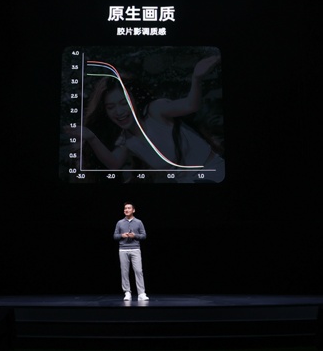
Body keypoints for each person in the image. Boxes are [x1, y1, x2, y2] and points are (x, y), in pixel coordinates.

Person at [78, 54, 225, 183]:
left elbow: (190, 105)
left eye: (124, 103)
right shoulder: (126, 141)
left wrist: (196, 78)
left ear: (135, 100)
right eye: (111, 107)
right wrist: (91, 137)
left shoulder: (155, 110)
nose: (119, 112)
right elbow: (114, 164)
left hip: (214, 173)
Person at [114, 202, 148, 301]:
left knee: (138, 271)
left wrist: (135, 236)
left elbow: (144, 235)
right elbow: (115, 236)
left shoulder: (139, 222)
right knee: (124, 272)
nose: (126, 210)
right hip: (123, 249)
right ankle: (127, 292)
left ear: (133, 210)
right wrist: (122, 235)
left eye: (129, 208)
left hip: (135, 249)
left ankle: (141, 293)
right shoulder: (120, 222)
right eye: (125, 208)